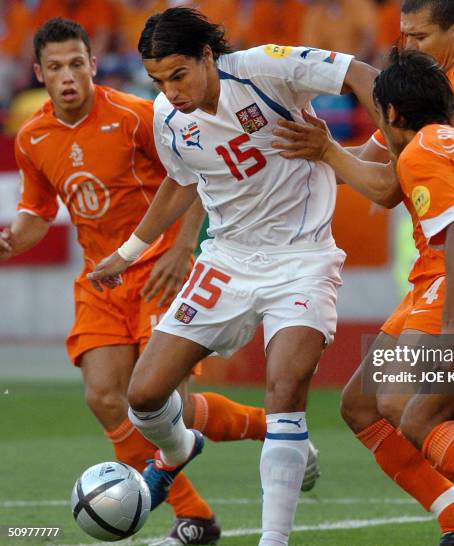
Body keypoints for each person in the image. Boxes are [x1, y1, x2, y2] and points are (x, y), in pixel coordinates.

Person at [0, 17, 313, 546]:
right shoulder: (32, 138)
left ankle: (275, 428)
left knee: (171, 406)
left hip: (160, 269)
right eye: (55, 67)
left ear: (93, 65)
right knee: (104, 397)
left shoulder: (138, 115)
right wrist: (11, 239)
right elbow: (36, 211)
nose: (68, 75)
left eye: (77, 63)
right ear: (39, 74)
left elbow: (194, 174)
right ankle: (194, 518)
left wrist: (184, 248)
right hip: (101, 276)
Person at [88, 7, 378, 546]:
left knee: (284, 388)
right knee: (144, 396)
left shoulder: (264, 69)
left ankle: (274, 540)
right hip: (227, 261)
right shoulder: (168, 117)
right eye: (158, 80)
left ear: (206, 55)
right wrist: (129, 251)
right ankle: (179, 449)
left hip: (301, 259)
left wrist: (405, 143)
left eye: (179, 75)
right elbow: (180, 183)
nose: (170, 91)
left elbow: (362, 74)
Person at [275, 1, 454, 543]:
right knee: (362, 405)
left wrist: (326, 153)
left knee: (412, 408)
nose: (407, 47)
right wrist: (310, 157)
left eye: (419, 36)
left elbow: (385, 188)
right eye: (402, 36)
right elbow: (375, 157)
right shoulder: (429, 86)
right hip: (433, 264)